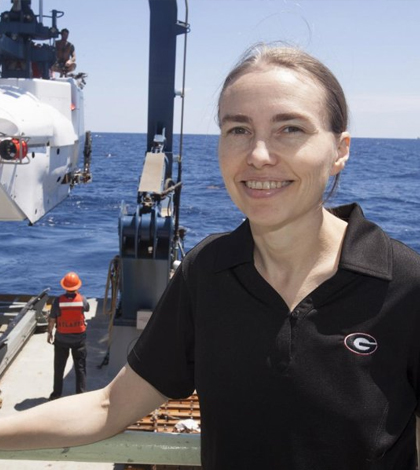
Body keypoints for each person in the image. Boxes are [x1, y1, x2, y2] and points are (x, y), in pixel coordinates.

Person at [0, 44, 419, 470]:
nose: (258, 155)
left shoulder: (405, 285)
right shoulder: (208, 273)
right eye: (238, 130)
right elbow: (109, 406)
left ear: (340, 150)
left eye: (290, 129)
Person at [47, 272, 90, 400]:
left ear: (64, 286)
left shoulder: (58, 301)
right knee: (80, 368)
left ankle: (56, 394)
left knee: (59, 367)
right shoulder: (82, 300)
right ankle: (80, 395)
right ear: (77, 286)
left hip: (61, 339)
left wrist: (49, 333)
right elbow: (86, 309)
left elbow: (52, 319)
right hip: (79, 339)